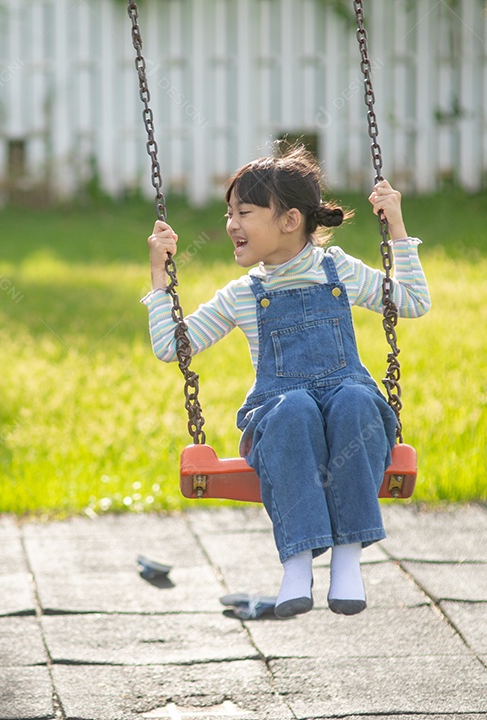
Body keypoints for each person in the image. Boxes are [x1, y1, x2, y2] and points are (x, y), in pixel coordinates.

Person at [143, 145, 430, 617]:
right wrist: (160, 277)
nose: (231, 224)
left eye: (244, 213)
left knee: (356, 400)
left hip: (349, 414)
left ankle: (347, 562)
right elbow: (172, 346)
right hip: (282, 423)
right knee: (295, 407)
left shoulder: (339, 271)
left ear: (290, 220)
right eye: (229, 213)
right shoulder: (241, 295)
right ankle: (297, 564)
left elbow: (414, 302)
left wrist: (396, 226)